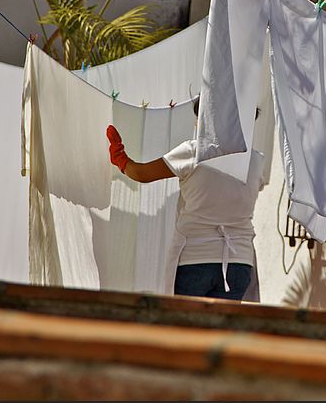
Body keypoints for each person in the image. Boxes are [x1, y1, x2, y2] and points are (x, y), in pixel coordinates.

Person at [106, 98, 265, 301]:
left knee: (186, 329)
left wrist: (120, 157)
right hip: (239, 263)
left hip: (196, 259)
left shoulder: (194, 151)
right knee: (219, 331)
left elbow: (141, 173)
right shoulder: (257, 160)